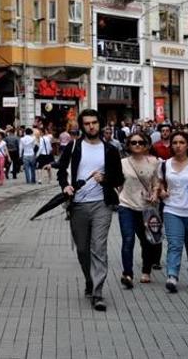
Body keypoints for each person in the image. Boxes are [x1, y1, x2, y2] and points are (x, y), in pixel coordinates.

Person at [56, 108, 123, 311]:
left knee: (98, 248)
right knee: (83, 249)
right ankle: (89, 279)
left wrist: (105, 179)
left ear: (99, 124)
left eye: (94, 122)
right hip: (78, 205)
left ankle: (98, 292)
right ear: (82, 125)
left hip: (102, 204)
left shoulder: (110, 150)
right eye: (87, 123)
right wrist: (65, 186)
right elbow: (61, 171)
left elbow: (119, 179)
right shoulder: (74, 146)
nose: (91, 126)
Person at [154, 131, 188, 293]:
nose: (178, 146)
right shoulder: (165, 164)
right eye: (175, 143)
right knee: (175, 244)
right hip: (172, 209)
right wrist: (162, 191)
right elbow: (159, 183)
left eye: (181, 142)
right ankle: (172, 276)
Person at [116, 132, 161, 287]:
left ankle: (146, 271)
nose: (137, 145)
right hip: (126, 205)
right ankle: (127, 274)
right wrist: (119, 194)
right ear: (128, 145)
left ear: (146, 145)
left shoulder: (153, 162)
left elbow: (156, 182)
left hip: (146, 208)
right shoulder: (122, 163)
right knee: (128, 240)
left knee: (146, 240)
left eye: (140, 142)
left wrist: (155, 194)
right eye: (133, 142)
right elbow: (117, 182)